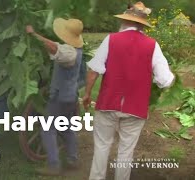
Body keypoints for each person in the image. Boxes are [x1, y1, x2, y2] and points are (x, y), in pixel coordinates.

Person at [82, 2, 175, 180]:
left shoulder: (111, 39)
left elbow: (94, 71)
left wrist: (87, 94)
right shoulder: (152, 45)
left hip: (108, 103)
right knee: (126, 152)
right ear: (142, 25)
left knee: (102, 146)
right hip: (135, 107)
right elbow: (165, 80)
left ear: (124, 21)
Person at [26, 18, 84, 176]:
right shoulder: (75, 49)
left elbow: (53, 47)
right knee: (66, 128)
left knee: (47, 128)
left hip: (60, 97)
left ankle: (53, 165)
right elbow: (56, 45)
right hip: (70, 96)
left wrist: (34, 35)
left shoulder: (70, 53)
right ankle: (73, 160)